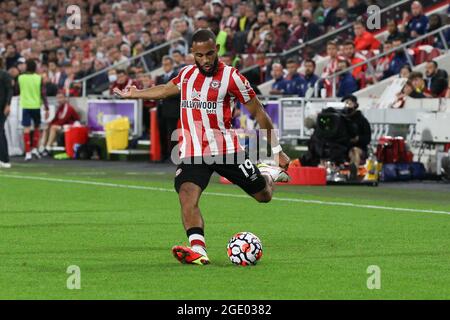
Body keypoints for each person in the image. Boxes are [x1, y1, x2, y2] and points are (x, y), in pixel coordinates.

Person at [114, 29, 290, 265]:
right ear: (192, 54)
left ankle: (266, 174)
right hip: (193, 151)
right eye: (199, 55)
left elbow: (258, 112)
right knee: (187, 194)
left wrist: (277, 152)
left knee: (264, 196)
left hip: (227, 150)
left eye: (209, 54)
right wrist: (136, 94)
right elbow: (166, 89)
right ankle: (198, 249)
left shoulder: (232, 77)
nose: (205, 60)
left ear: (217, 49)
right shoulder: (186, 74)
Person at [18, 59, 49, 161]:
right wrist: (47, 107)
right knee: (37, 127)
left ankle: (28, 153)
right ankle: (34, 148)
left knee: (26, 129)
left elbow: (18, 90)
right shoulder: (39, 78)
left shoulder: (21, 77)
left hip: (25, 106)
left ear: (26, 66)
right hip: (36, 106)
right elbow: (43, 94)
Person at [341, 95, 371, 181]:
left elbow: (367, 138)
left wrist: (358, 139)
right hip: (341, 146)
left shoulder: (362, 121)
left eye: (349, 103)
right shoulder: (340, 119)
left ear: (355, 105)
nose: (347, 105)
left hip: (357, 147)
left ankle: (353, 172)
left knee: (354, 152)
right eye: (345, 103)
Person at [156, 56, 180, 161]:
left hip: (172, 110)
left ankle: (173, 155)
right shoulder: (160, 78)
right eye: (164, 64)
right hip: (161, 110)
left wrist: (165, 94)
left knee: (172, 134)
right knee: (162, 133)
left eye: (167, 64)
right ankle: (163, 155)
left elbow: (178, 93)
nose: (165, 67)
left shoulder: (176, 77)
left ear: (172, 65)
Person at [0, 58, 13, 168]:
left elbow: (9, 90)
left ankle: (5, 159)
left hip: (1, 107)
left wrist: (8, 104)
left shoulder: (4, 75)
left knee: (0, 133)